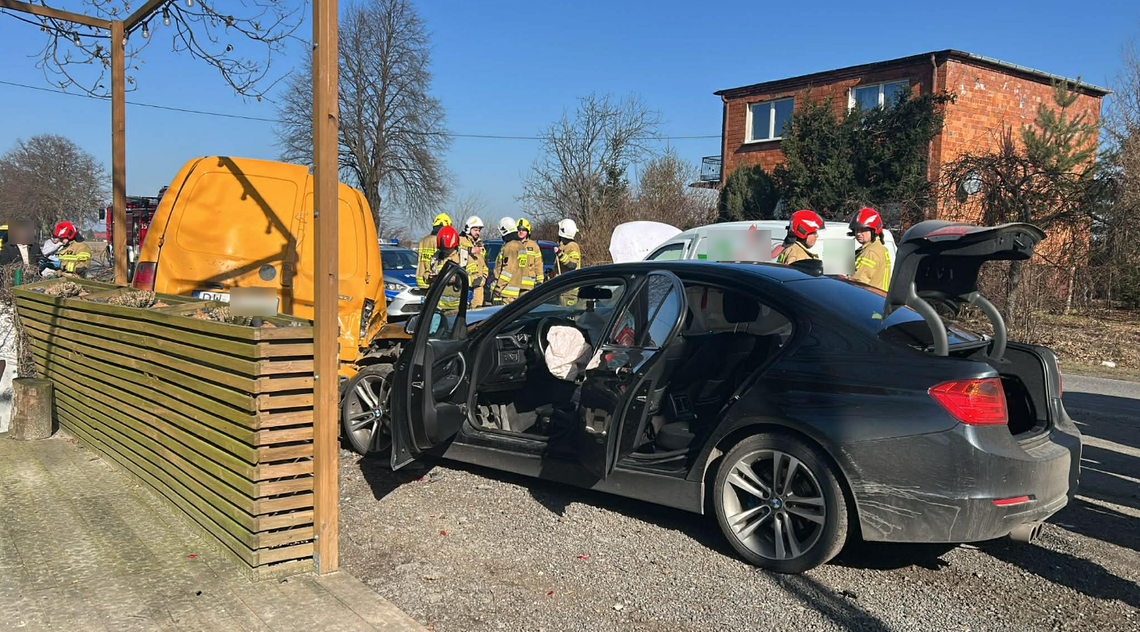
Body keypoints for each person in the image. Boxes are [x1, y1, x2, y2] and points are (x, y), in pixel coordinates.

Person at [848, 207, 891, 291]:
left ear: (873, 231)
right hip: (879, 299)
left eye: (863, 230)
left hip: (868, 300)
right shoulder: (879, 248)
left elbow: (857, 285)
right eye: (856, 230)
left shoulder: (870, 252)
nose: (858, 234)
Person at [427, 225, 465, 311]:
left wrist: (457, 279)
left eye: (447, 249)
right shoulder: (436, 257)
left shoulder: (463, 257)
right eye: (443, 248)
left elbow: (474, 278)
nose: (444, 251)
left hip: (457, 308)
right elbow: (427, 273)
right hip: (437, 306)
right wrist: (430, 277)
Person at [415, 212, 452, 288]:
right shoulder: (442, 240)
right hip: (434, 280)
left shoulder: (423, 240)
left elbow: (419, 259)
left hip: (421, 279)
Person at [492, 216, 522, 304]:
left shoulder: (510, 246)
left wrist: (498, 289)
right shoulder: (521, 245)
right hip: (516, 290)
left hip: (506, 293)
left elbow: (508, 270)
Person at [460, 216, 489, 307]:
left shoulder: (480, 245)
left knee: (477, 310)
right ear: (469, 229)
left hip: (478, 285)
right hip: (465, 285)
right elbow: (454, 252)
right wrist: (469, 250)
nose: (478, 232)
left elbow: (484, 262)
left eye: (479, 230)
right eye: (475, 230)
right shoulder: (460, 240)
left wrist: (484, 276)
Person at [554, 218, 582, 306]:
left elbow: (573, 264)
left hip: (569, 290)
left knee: (567, 316)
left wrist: (560, 254)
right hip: (564, 287)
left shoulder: (572, 246)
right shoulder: (564, 246)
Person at [516, 218, 544, 296]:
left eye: (523, 230)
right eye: (519, 229)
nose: (521, 231)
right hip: (513, 285)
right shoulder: (511, 245)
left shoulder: (534, 246)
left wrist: (540, 281)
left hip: (528, 287)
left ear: (528, 231)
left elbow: (538, 264)